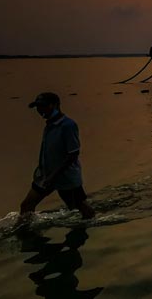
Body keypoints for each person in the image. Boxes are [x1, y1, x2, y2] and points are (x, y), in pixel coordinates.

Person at [20, 92, 95, 221]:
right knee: (27, 205)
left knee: (80, 206)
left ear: (54, 105)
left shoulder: (68, 125)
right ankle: (27, 230)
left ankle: (92, 223)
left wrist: (53, 175)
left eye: (43, 106)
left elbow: (73, 154)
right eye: (38, 107)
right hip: (45, 176)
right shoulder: (49, 124)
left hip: (65, 177)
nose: (40, 110)